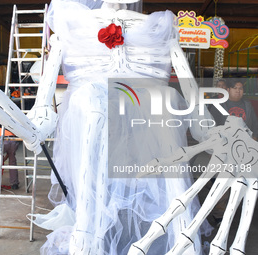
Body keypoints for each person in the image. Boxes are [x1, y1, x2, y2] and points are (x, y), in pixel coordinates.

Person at [34, 1, 213, 254]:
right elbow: (53, 66)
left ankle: (182, 232)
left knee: (166, 101)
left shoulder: (158, 24)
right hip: (93, 96)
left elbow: (182, 70)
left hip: (144, 95)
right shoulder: (70, 21)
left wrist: (197, 113)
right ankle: (86, 234)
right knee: (91, 100)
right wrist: (41, 107)